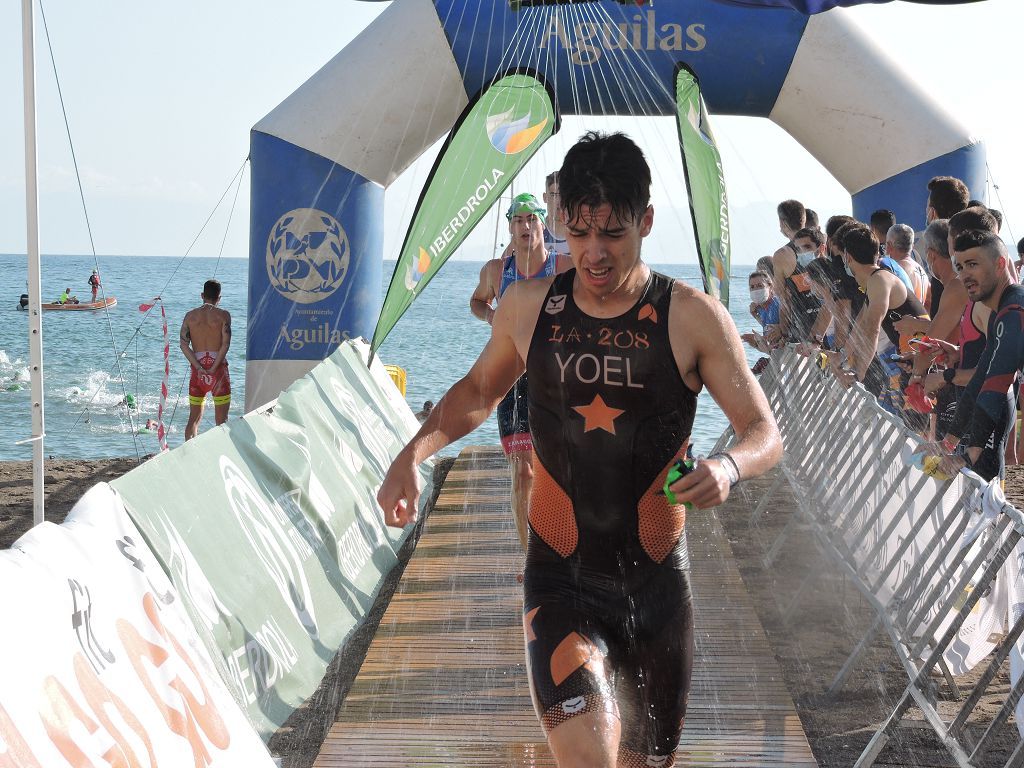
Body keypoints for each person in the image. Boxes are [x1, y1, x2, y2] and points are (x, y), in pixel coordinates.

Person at [379, 130, 782, 767]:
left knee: (647, 762)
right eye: (581, 231)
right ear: (563, 219)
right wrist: (412, 454)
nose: (593, 253)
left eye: (613, 234)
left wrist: (728, 465)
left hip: (656, 585)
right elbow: (480, 391)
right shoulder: (530, 307)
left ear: (646, 221)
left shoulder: (692, 317)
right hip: (559, 576)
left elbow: (764, 433)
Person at [469, 192, 571, 551]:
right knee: (522, 471)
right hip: (510, 375)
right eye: (517, 220)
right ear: (510, 228)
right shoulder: (497, 271)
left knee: (558, 470)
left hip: (555, 376)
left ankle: (566, 542)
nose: (525, 226)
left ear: (544, 224)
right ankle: (530, 556)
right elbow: (477, 302)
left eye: (532, 219)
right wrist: (493, 316)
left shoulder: (563, 268)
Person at [931, 231, 1024, 481]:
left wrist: (969, 454)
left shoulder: (1014, 310)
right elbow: (980, 378)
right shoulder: (999, 313)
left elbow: (996, 383)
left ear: (1000, 264)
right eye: (960, 267)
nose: (965, 275)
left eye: (973, 264)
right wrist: (948, 442)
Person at [180, 279, 231, 440]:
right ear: (219, 298)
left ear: (202, 295)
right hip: (218, 373)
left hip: (198, 373)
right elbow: (225, 345)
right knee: (222, 422)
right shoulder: (223, 316)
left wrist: (199, 367)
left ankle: (189, 455)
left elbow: (183, 344)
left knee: (193, 420)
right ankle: (221, 457)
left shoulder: (190, 316)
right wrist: (214, 367)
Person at [741, 270, 780, 371]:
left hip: (788, 360)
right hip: (778, 358)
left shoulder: (777, 304)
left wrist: (757, 342)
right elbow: (770, 338)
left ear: (770, 286)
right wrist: (754, 314)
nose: (755, 290)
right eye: (752, 287)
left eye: (760, 285)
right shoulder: (762, 309)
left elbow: (781, 339)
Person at [542, 171, 571, 256]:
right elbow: (506, 265)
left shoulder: (582, 230)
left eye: (564, 195)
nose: (559, 202)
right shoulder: (534, 230)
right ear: (545, 197)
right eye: (554, 195)